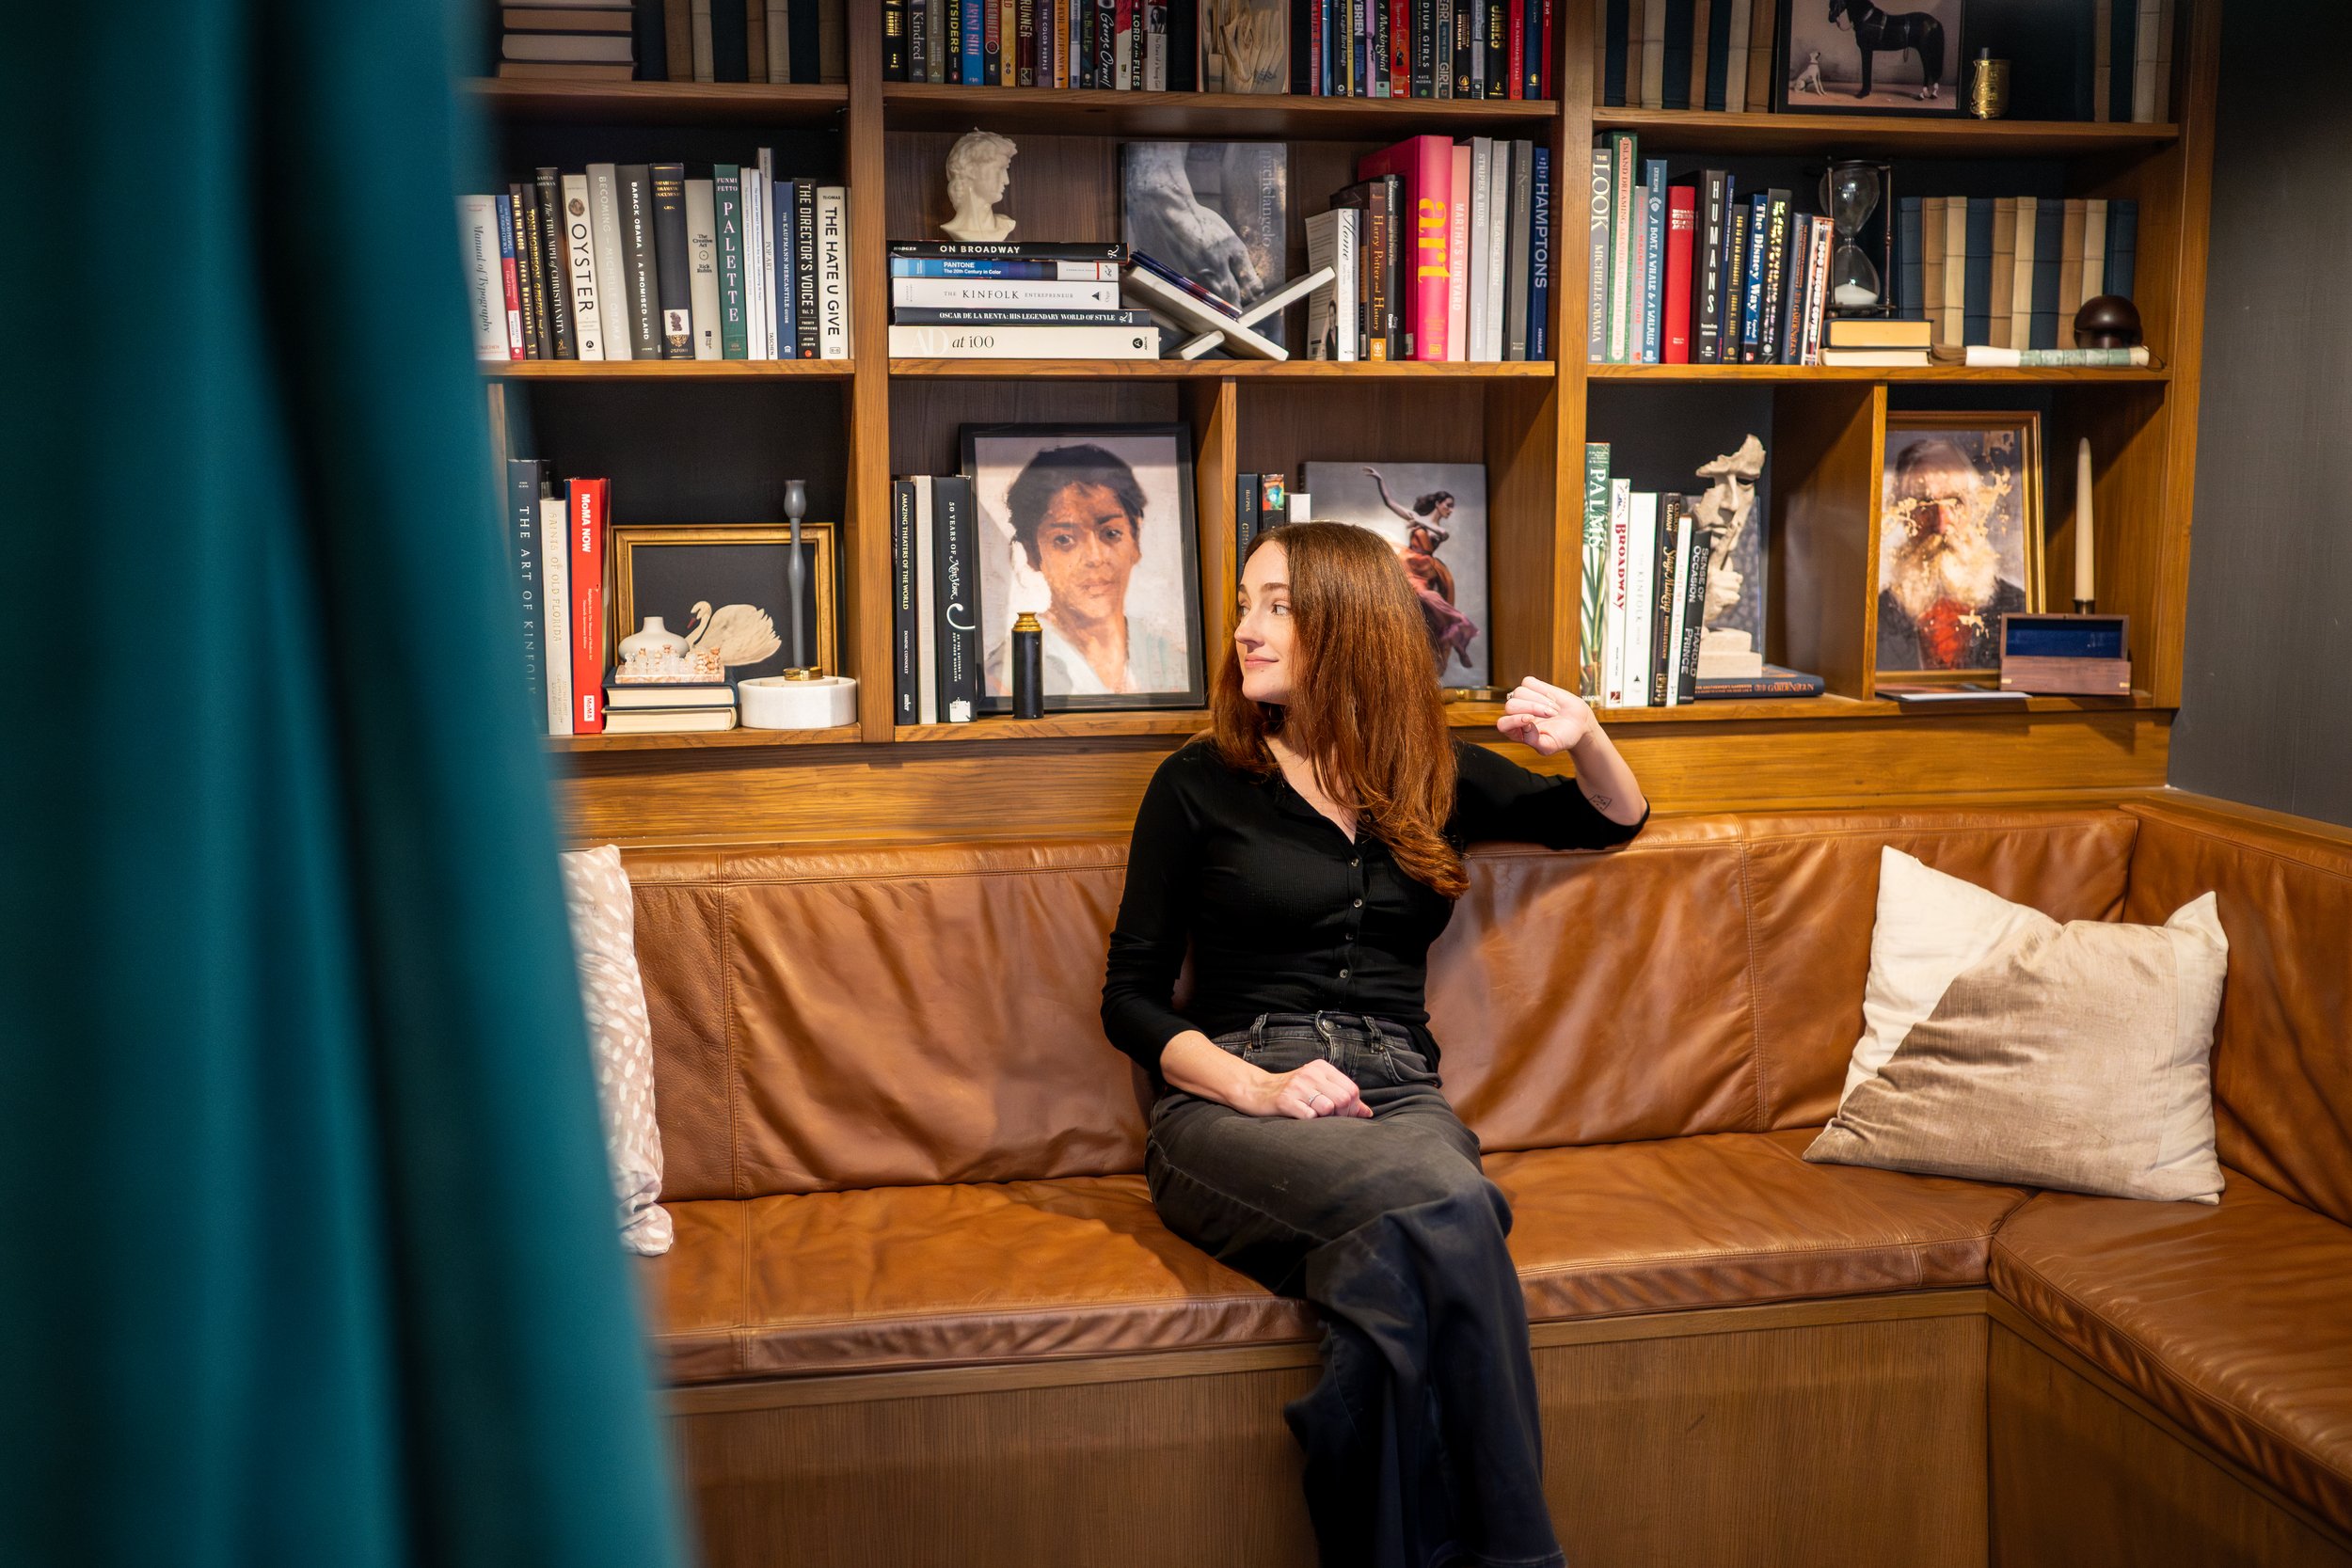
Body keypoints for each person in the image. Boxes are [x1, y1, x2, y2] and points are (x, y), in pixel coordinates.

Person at [1103, 522, 1650, 1568]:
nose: (1245, 632)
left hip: (1398, 1093)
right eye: (1243, 604)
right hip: (1228, 1102)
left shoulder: (1433, 772)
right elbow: (1127, 999)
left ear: (1347, 627)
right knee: (1455, 1206)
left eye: (1277, 607)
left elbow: (1610, 820)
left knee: (1396, 1264)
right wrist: (1257, 1090)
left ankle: (1354, 1451)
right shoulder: (1196, 782)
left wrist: (1585, 733)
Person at [986, 443, 1190, 698]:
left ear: (1135, 540)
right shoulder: (1008, 677)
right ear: (1032, 553)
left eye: (1111, 533)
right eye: (1064, 540)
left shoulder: (1174, 663)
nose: (1095, 557)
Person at [1875, 436, 2028, 672]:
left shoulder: (2018, 608)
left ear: (1973, 508)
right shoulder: (1876, 619)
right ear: (1904, 515)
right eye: (1925, 503)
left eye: (1955, 502)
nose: (1942, 525)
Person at [1364, 465, 1479, 676]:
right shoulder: (1415, 517)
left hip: (1427, 571)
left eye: (1452, 507)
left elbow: (1440, 533)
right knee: (1423, 600)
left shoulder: (1440, 530)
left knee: (1433, 603)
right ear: (1438, 503)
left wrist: (1416, 521)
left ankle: (1458, 644)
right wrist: (1380, 480)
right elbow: (1391, 504)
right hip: (1409, 567)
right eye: (1448, 505)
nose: (1451, 510)